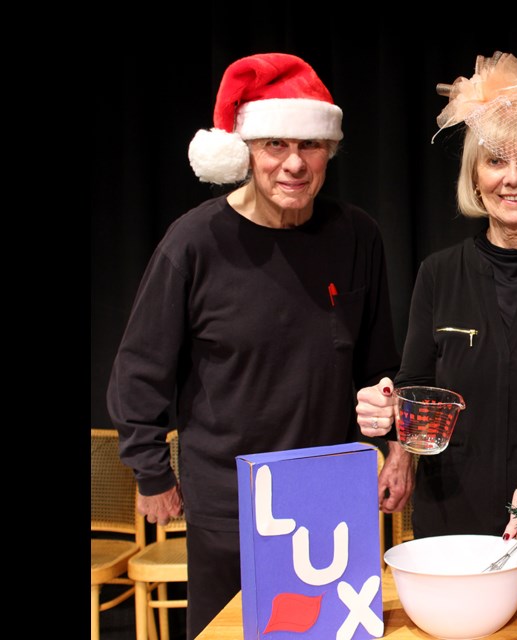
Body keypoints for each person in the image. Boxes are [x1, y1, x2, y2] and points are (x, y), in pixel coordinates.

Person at [106, 52, 413, 639]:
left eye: (310, 145)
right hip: (232, 499)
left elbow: (379, 364)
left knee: (336, 634)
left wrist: (394, 444)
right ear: (244, 151)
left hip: (332, 493)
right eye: (274, 144)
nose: (294, 163)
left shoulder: (357, 235)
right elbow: (139, 369)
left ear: (330, 150)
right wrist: (150, 474)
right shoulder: (194, 242)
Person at [356, 42, 517, 570]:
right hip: (453, 513)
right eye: (495, 161)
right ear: (475, 176)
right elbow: (415, 383)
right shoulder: (438, 273)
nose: (512, 177)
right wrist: (397, 448)